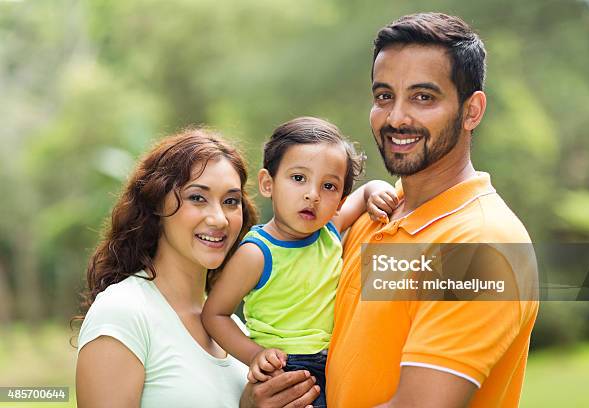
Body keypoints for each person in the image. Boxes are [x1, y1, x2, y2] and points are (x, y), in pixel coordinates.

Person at [325, 13, 539, 408]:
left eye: (423, 97)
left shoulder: (483, 244)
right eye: (384, 96)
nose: (396, 118)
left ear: (472, 111)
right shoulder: (377, 212)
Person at [75, 128, 320, 408]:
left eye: (230, 201)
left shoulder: (235, 330)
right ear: (156, 204)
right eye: (197, 198)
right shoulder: (124, 313)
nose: (219, 219)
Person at [202, 117, 398, 408]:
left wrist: (376, 189)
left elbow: (366, 191)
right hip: (286, 368)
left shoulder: (330, 229)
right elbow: (214, 315)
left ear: (341, 201)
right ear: (268, 184)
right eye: (298, 178)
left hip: (337, 360)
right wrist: (255, 355)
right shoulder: (257, 253)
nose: (312, 194)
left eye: (329, 186)